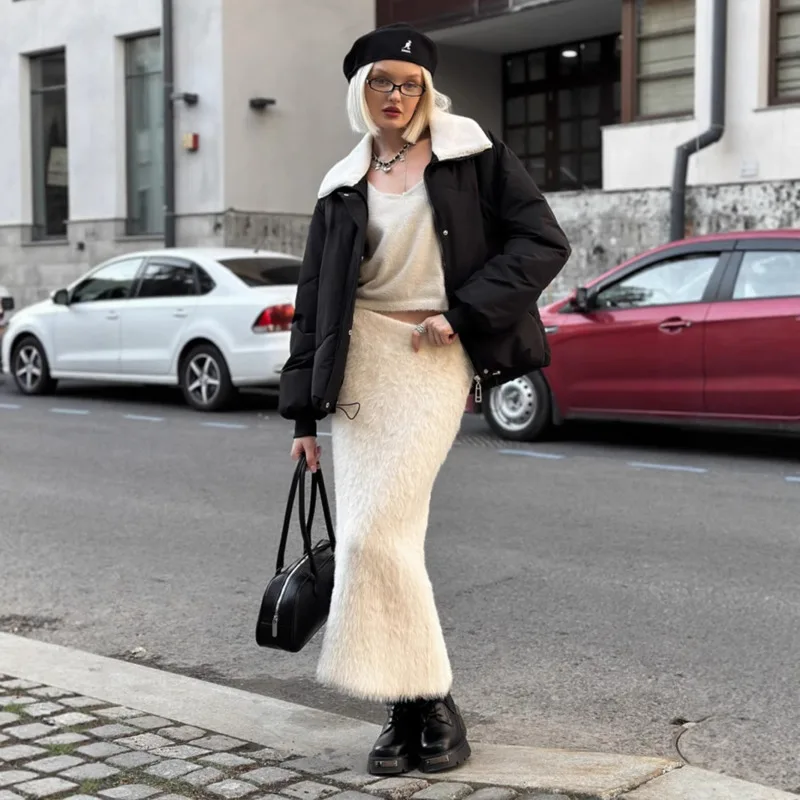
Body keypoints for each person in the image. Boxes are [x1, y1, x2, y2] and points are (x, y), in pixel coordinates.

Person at [279, 23, 570, 776]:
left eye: (410, 83)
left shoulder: (472, 155)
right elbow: (315, 305)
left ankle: (428, 699)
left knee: (377, 534)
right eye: (383, 82)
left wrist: (466, 312)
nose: (397, 96)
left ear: (428, 91)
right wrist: (303, 416)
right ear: (360, 92)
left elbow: (542, 241)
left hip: (432, 363)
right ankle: (410, 713)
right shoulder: (340, 184)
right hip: (360, 370)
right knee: (382, 540)